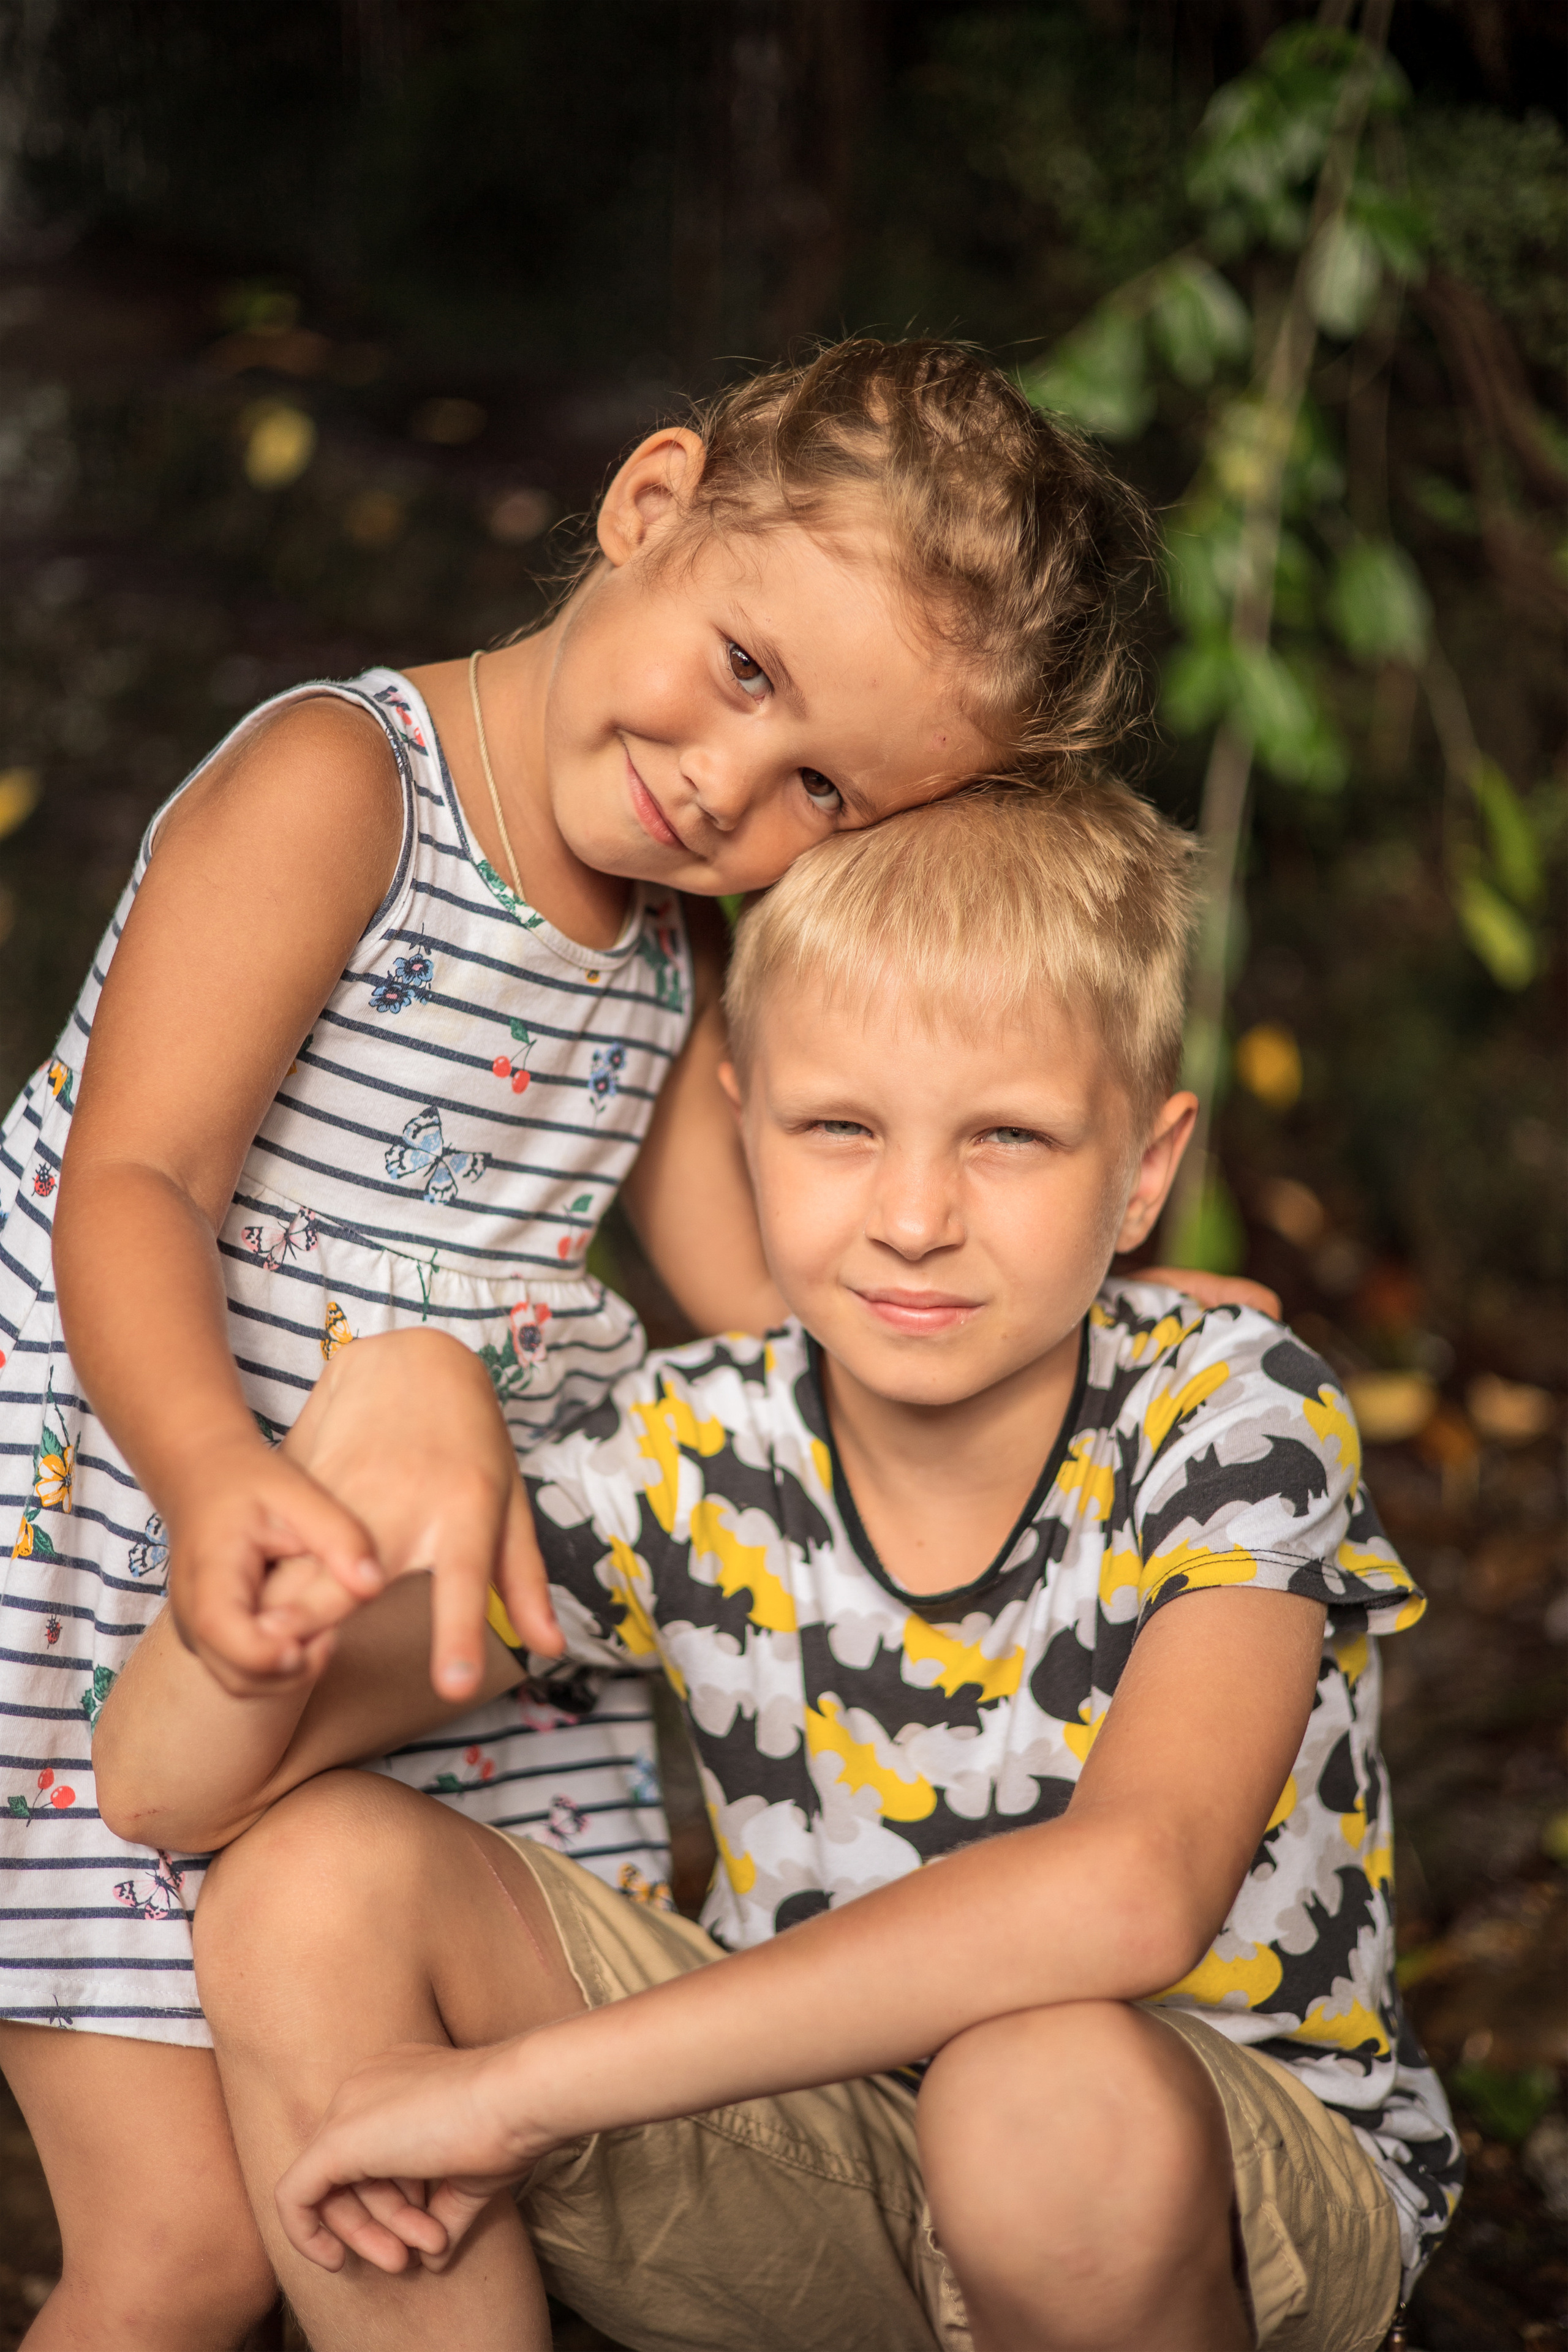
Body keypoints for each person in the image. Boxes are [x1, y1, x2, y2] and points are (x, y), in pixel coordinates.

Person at [0, 338, 1264, 2349]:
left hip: (434, 1607)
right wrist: (212, 1475)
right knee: (185, 2249)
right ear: (652, 503)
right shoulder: (348, 783)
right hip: (138, 1535)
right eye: (749, 673)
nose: (728, 785)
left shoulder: (671, 955)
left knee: (422, 2171)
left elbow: (788, 1323)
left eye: (824, 790)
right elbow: (133, 1179)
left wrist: (1076, 1328)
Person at [98, 785, 1461, 2352]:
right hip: (819, 2156)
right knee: (305, 1886)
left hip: (1204, 2166)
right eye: (838, 1128)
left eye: (1006, 1137)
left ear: (1142, 1173)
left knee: (1039, 2095)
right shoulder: (685, 1453)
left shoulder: (1226, 1404)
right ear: (740, 1120)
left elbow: (1132, 1892)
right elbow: (167, 1788)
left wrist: (513, 2096)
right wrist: (345, 1449)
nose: (911, 1217)